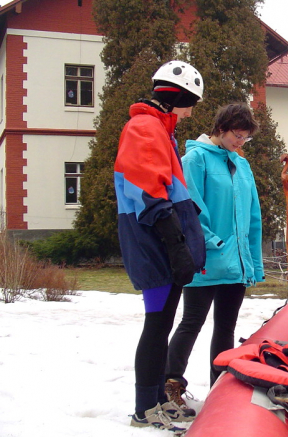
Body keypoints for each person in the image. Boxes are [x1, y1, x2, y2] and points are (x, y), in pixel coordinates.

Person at [114, 60, 206, 432]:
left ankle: (153, 402)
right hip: (155, 246)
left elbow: (170, 190)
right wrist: (176, 245)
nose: (188, 114)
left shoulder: (158, 129)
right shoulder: (144, 127)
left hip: (161, 246)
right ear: (178, 97)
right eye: (189, 105)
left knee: (162, 324)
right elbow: (150, 193)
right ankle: (143, 410)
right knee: (156, 326)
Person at [164, 103, 265, 411]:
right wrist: (213, 242)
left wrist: (253, 262)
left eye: (246, 137)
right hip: (205, 259)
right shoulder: (195, 159)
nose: (240, 141)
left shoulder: (242, 165)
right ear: (221, 128)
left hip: (237, 264)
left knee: (226, 327)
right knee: (192, 321)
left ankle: (220, 393)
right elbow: (189, 207)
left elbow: (252, 216)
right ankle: (169, 385)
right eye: (237, 134)